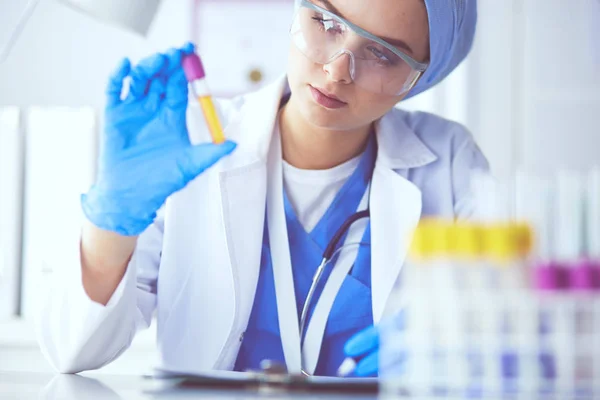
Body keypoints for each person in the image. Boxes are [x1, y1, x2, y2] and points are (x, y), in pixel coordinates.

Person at [36, 0, 486, 378]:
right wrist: (112, 220)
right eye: (325, 24)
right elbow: (73, 350)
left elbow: (510, 322)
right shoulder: (189, 143)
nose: (336, 70)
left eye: (384, 55)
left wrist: (452, 343)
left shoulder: (448, 163)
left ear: (420, 78)